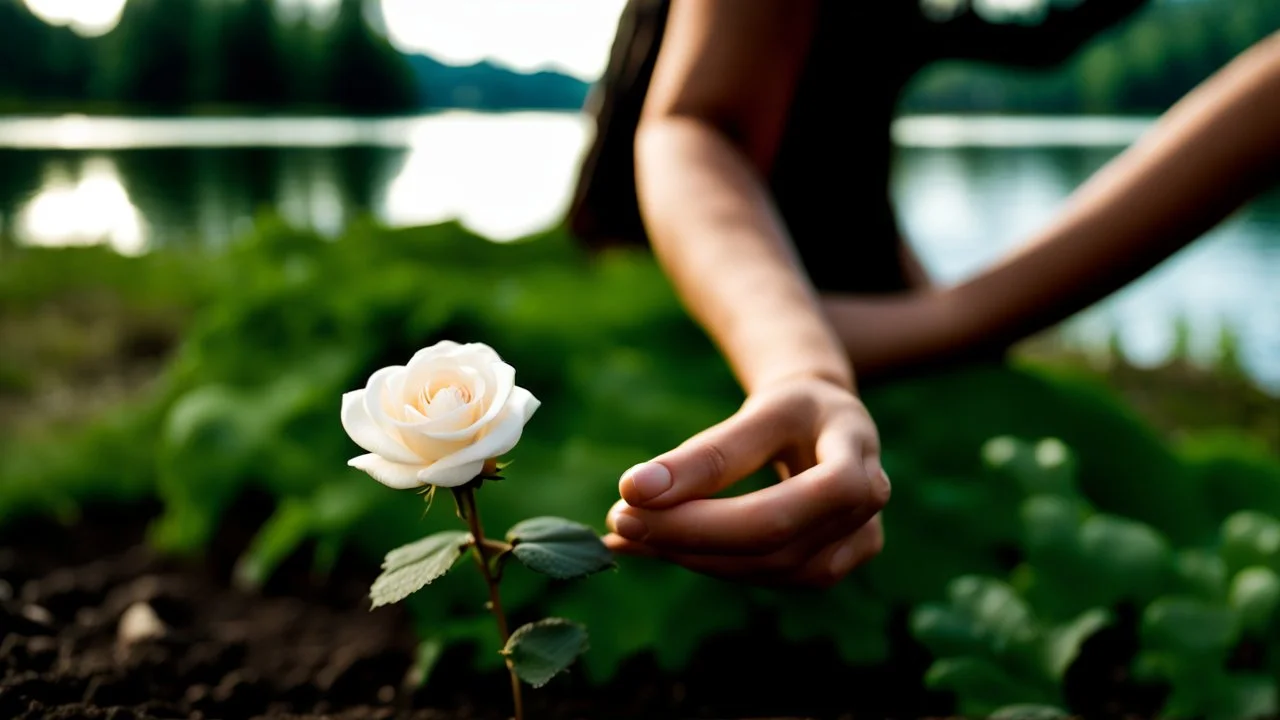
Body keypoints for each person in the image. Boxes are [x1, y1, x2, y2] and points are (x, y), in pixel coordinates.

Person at [569, 0, 1280, 587]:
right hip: (691, 269)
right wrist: (802, 362)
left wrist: (950, 317)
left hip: (863, 303)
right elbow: (699, 123)